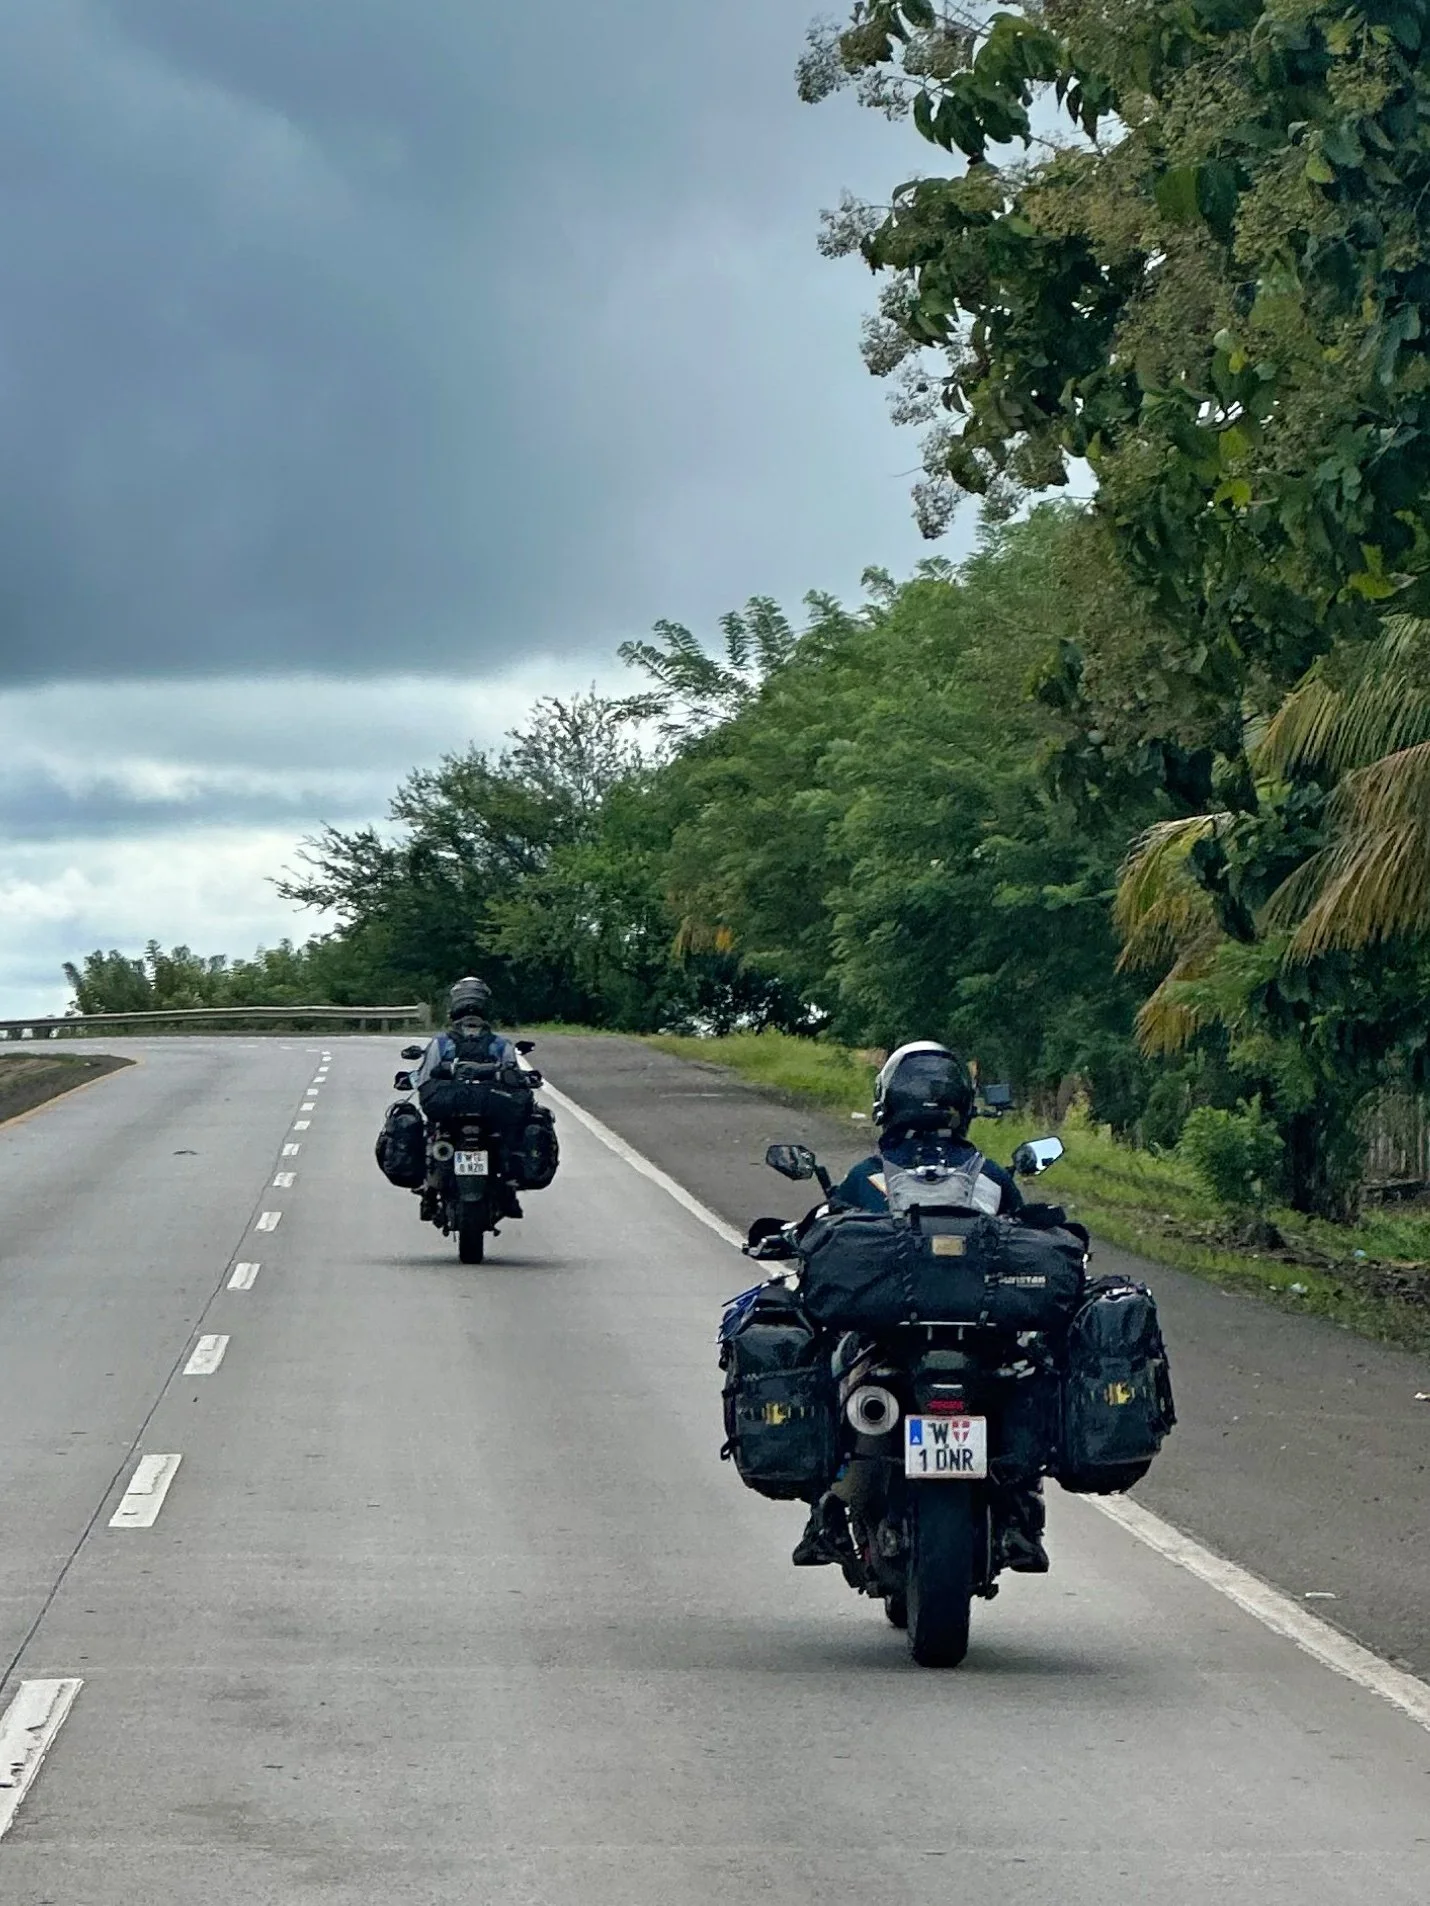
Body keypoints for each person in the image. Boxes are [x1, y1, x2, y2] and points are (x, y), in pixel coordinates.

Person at [792, 1040, 1048, 1575]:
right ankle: (1022, 1513)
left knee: (827, 1360)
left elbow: (827, 1234)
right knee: (1028, 1372)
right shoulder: (990, 1177)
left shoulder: (869, 1176)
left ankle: (828, 1508)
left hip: (892, 1337)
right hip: (981, 1335)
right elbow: (1027, 1233)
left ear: (889, 1100)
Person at [412, 976, 528, 1218]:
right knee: (510, 1136)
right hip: (491, 1113)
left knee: (432, 1135)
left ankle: (429, 1189)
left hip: (450, 1113)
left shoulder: (441, 1043)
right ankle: (509, 1185)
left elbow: (424, 1079)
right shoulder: (500, 1044)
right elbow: (515, 1078)